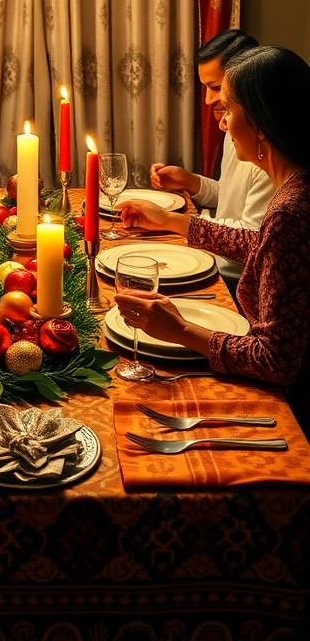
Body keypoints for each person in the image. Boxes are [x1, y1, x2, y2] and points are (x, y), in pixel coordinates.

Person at [116, 45, 310, 434]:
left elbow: (276, 360)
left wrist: (180, 330)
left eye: (228, 111)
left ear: (261, 123)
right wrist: (177, 223)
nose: (221, 123)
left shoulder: (291, 209)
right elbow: (262, 247)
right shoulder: (297, 186)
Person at [150, 29, 275, 294]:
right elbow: (234, 199)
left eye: (216, 88)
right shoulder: (234, 127)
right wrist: (192, 182)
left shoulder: (267, 147)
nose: (208, 100)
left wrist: (167, 220)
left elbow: (251, 237)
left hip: (236, 278)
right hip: (215, 257)